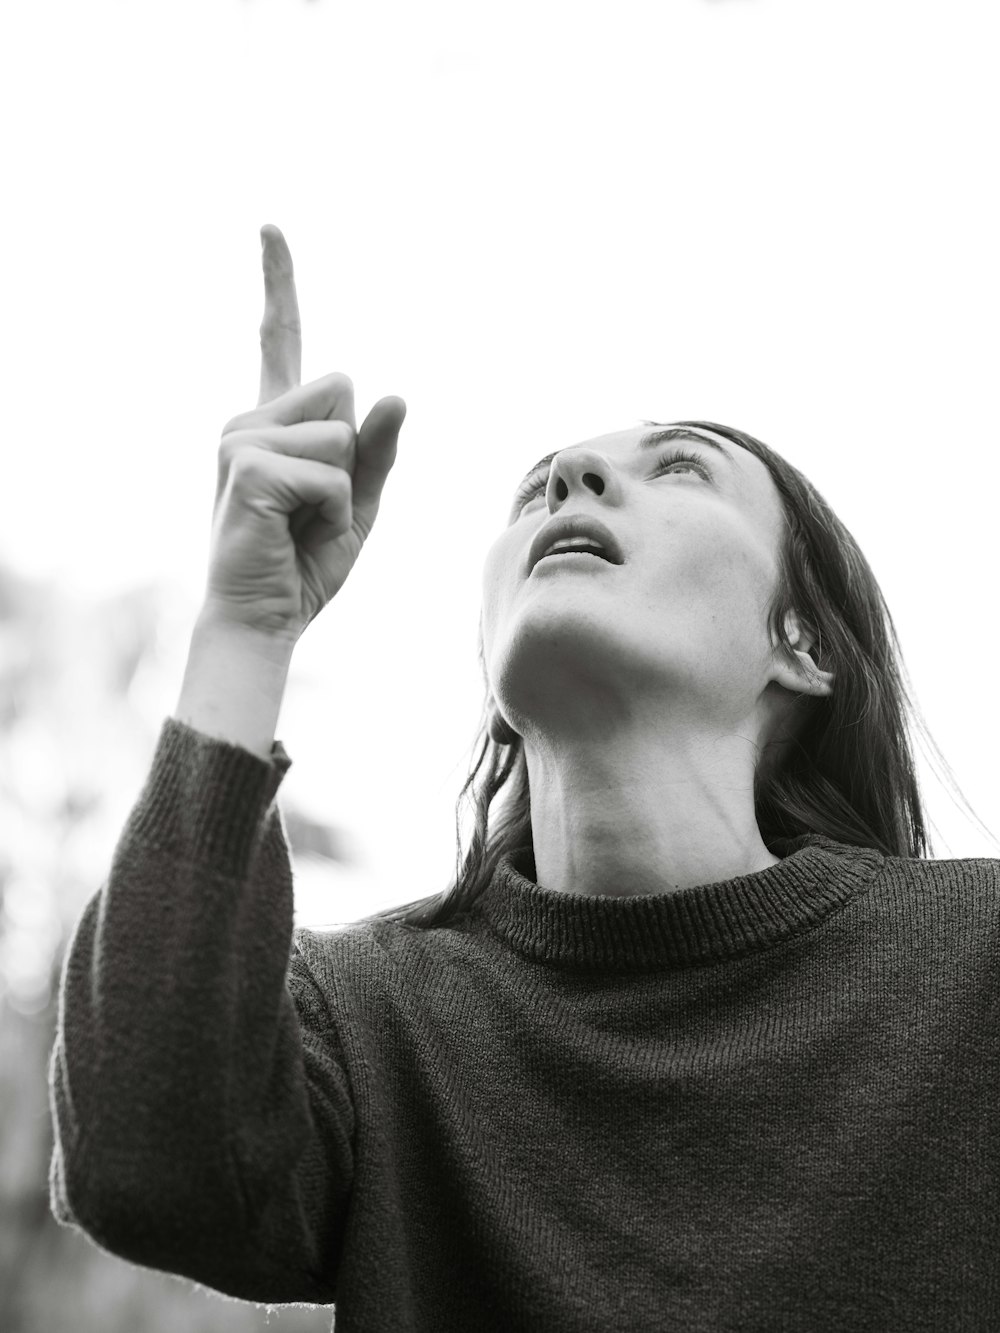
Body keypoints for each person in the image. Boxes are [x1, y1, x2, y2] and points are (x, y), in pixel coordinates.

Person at [48, 226, 1000, 1331]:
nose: (570, 478)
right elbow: (145, 1166)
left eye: (680, 466)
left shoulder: (974, 963)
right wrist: (245, 629)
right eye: (537, 489)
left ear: (801, 639)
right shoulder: (369, 1017)